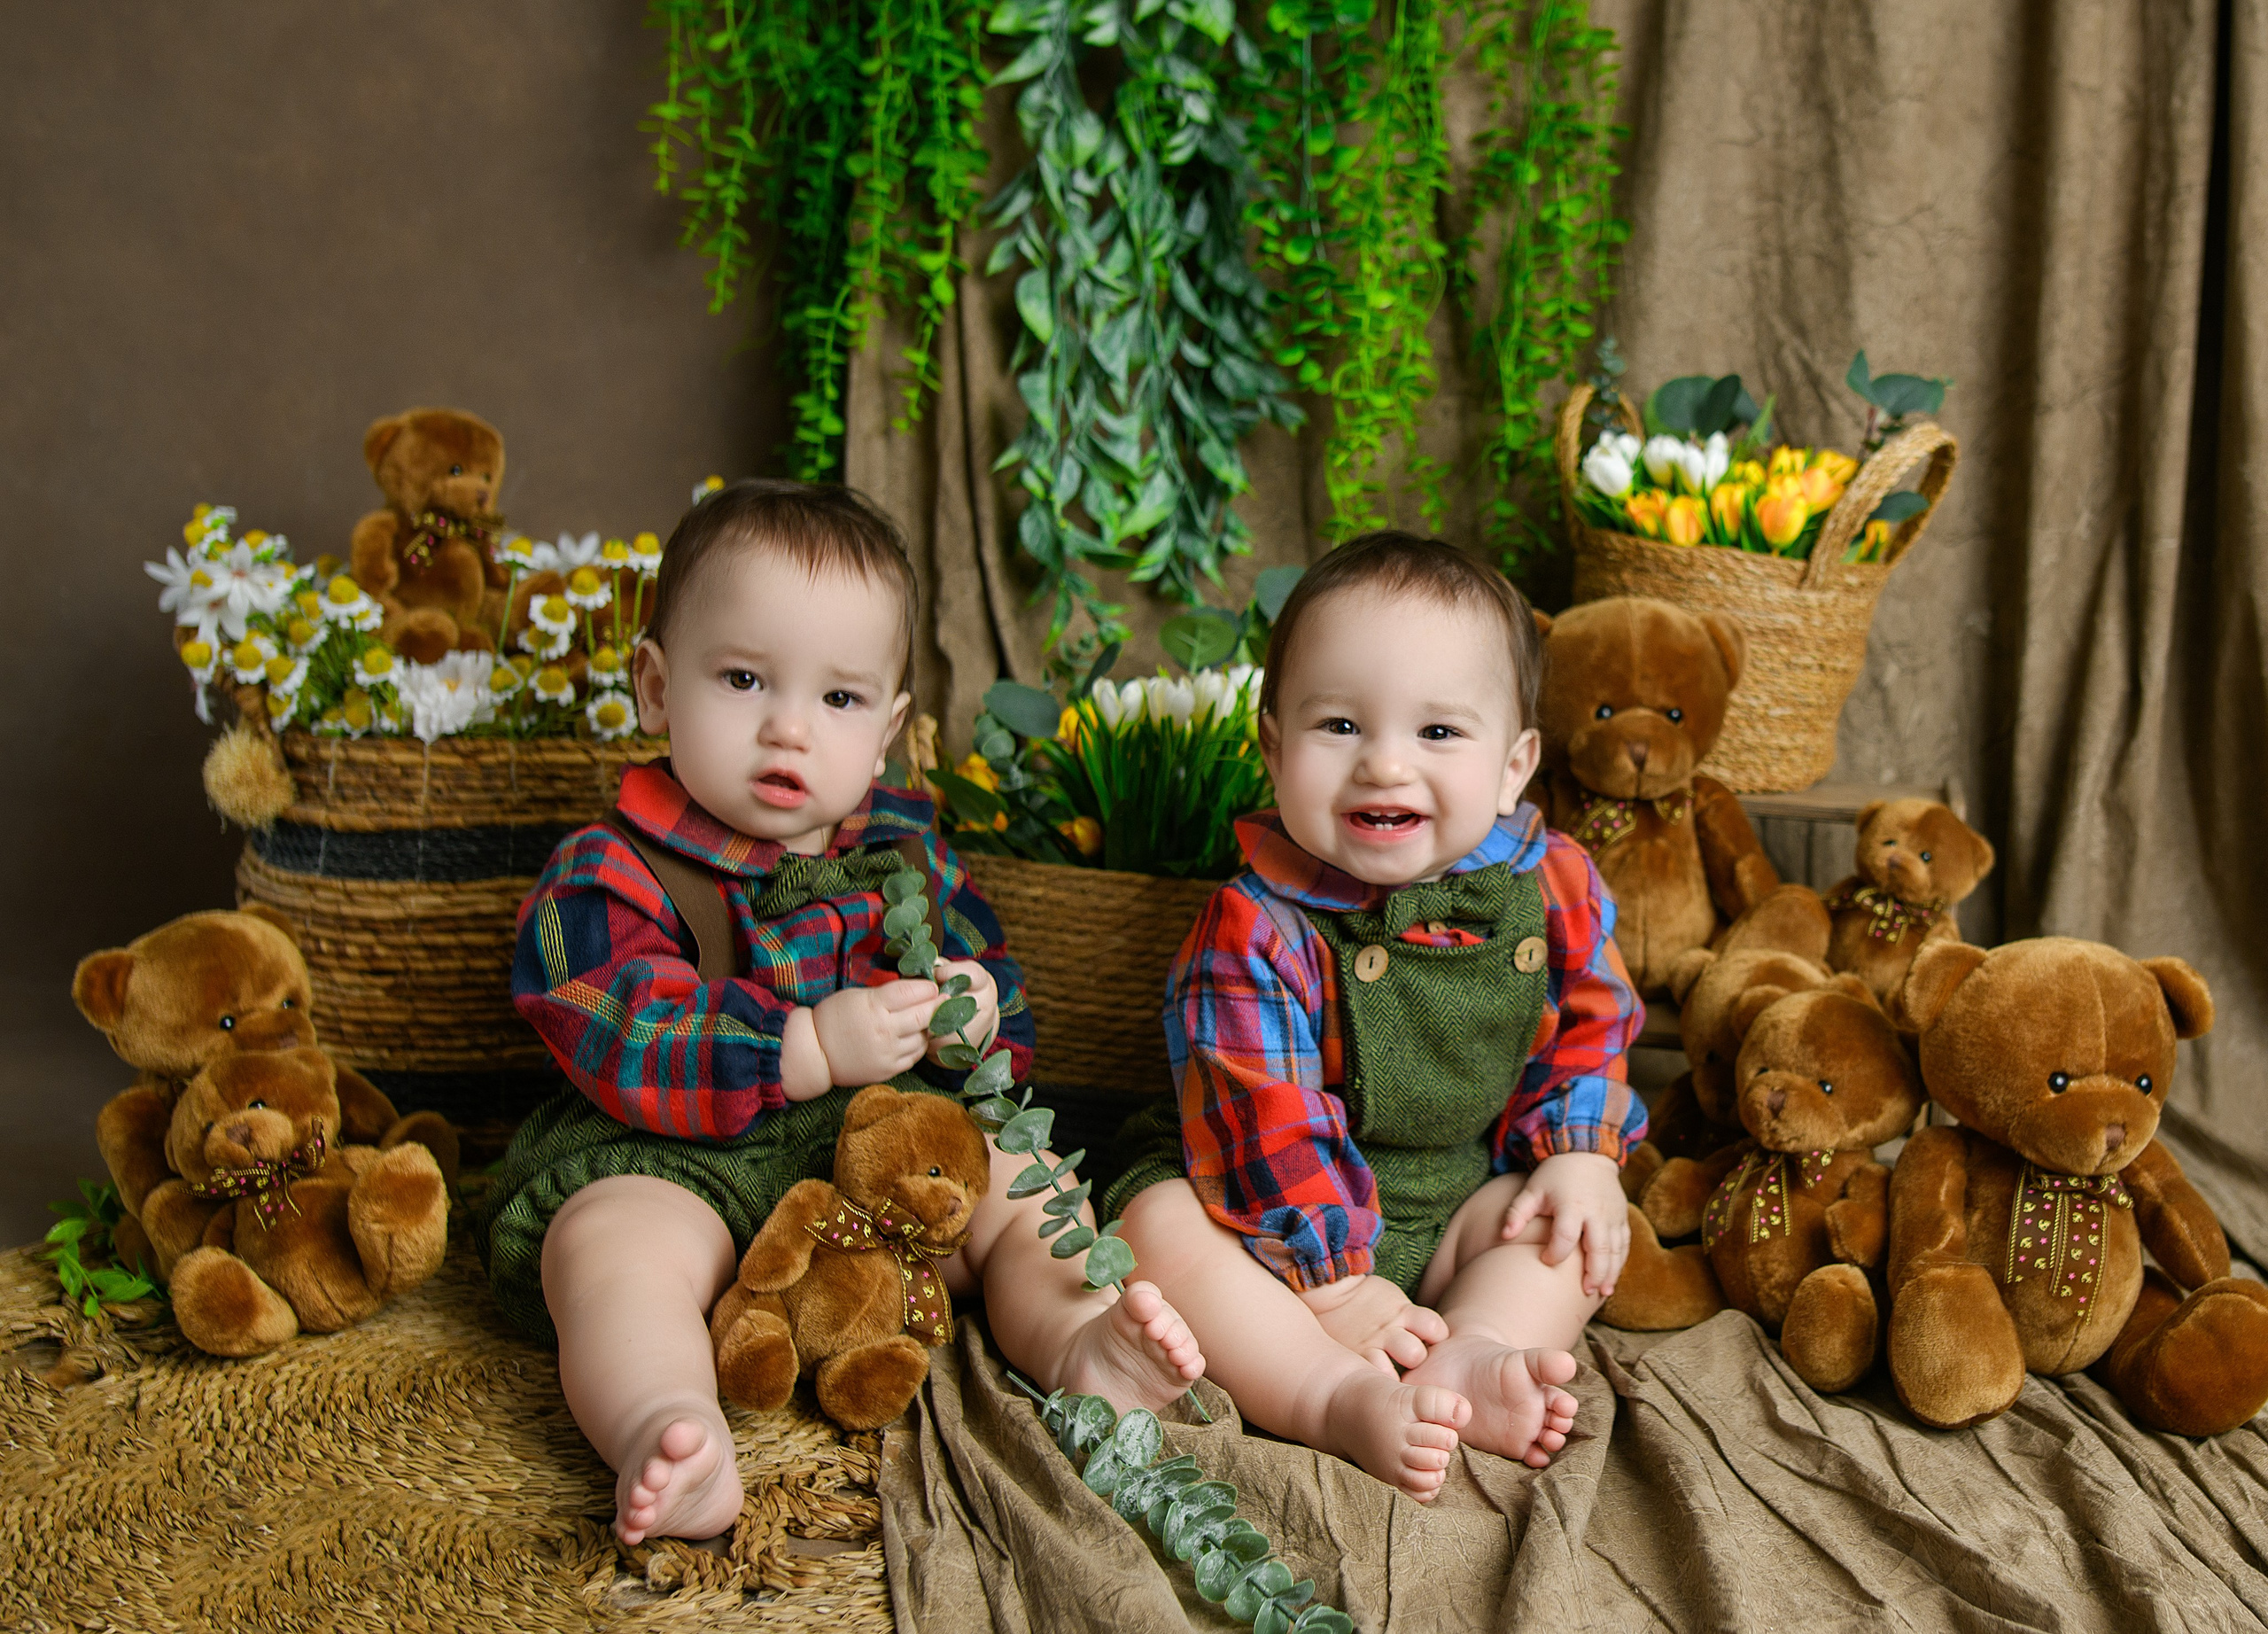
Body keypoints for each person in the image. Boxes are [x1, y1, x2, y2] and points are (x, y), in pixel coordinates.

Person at [481, 481, 1202, 1545]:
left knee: (1025, 1181)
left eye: (839, 699)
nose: (787, 727)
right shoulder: (609, 869)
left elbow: (994, 992)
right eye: (741, 677)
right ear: (654, 686)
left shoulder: (906, 857)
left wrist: (974, 1013)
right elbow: (607, 1020)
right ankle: (663, 1421)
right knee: (606, 1246)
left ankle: (1079, 1344)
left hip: (882, 1177)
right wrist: (803, 1041)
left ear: (891, 731)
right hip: (683, 1166)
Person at [1104, 532, 1645, 1502]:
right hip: (1262, 1220)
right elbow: (1259, 1115)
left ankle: (1473, 1351)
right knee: (1155, 1228)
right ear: (1274, 747)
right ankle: (1333, 1394)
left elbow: (1593, 1021)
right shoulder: (1255, 923)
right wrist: (1337, 1285)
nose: (1385, 765)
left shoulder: (1551, 879)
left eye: (1438, 733)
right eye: (1341, 725)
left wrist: (1581, 1151)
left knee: (1572, 1230)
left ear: (1515, 763)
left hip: (1453, 1193)